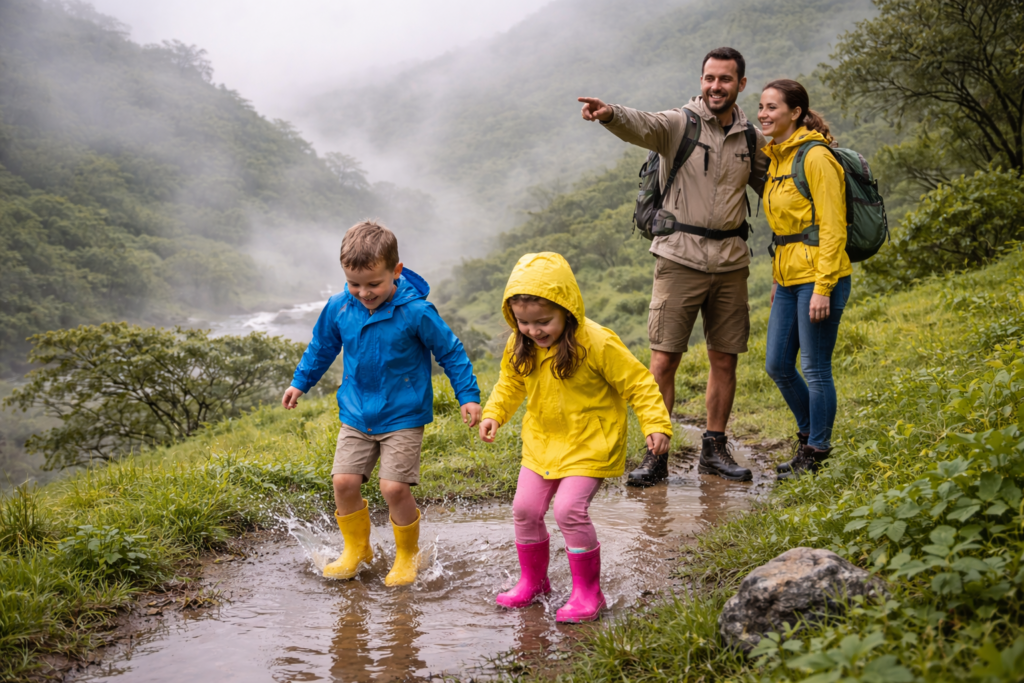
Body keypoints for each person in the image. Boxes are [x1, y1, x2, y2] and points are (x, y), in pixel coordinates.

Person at [578, 46, 769, 485]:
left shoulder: (751, 138)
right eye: (709, 78)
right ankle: (656, 454)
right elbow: (641, 124)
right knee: (663, 360)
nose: (715, 86)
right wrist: (609, 113)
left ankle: (714, 448)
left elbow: (778, 187)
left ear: (741, 84)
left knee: (725, 358)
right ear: (700, 81)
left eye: (725, 79)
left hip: (731, 262)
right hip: (678, 256)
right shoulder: (679, 124)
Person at [282, 220, 482, 585]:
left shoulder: (416, 312)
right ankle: (357, 549)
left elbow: (450, 352)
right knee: (343, 482)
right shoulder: (340, 307)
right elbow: (322, 346)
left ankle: (408, 554)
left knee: (394, 488)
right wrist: (300, 382)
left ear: (397, 271)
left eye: (374, 284)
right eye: (354, 284)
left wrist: (468, 396)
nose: (364, 293)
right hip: (357, 414)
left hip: (403, 414)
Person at [478, 252, 672, 623]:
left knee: (569, 510)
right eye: (523, 322)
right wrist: (493, 414)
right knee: (525, 509)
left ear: (567, 309)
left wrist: (655, 424)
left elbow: (639, 383)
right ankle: (533, 582)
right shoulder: (521, 344)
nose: (533, 331)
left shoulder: (597, 342)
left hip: (590, 442)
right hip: (542, 442)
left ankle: (588, 592)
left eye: (543, 322)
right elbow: (509, 383)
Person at [757, 79, 852, 479]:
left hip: (819, 278)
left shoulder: (815, 157)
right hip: (788, 278)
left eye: (772, 107)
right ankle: (809, 435)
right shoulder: (777, 157)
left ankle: (817, 449)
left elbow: (833, 227)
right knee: (777, 364)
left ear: (795, 112)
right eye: (760, 106)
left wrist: (823, 286)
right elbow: (786, 229)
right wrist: (778, 277)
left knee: (814, 367)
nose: (763, 114)